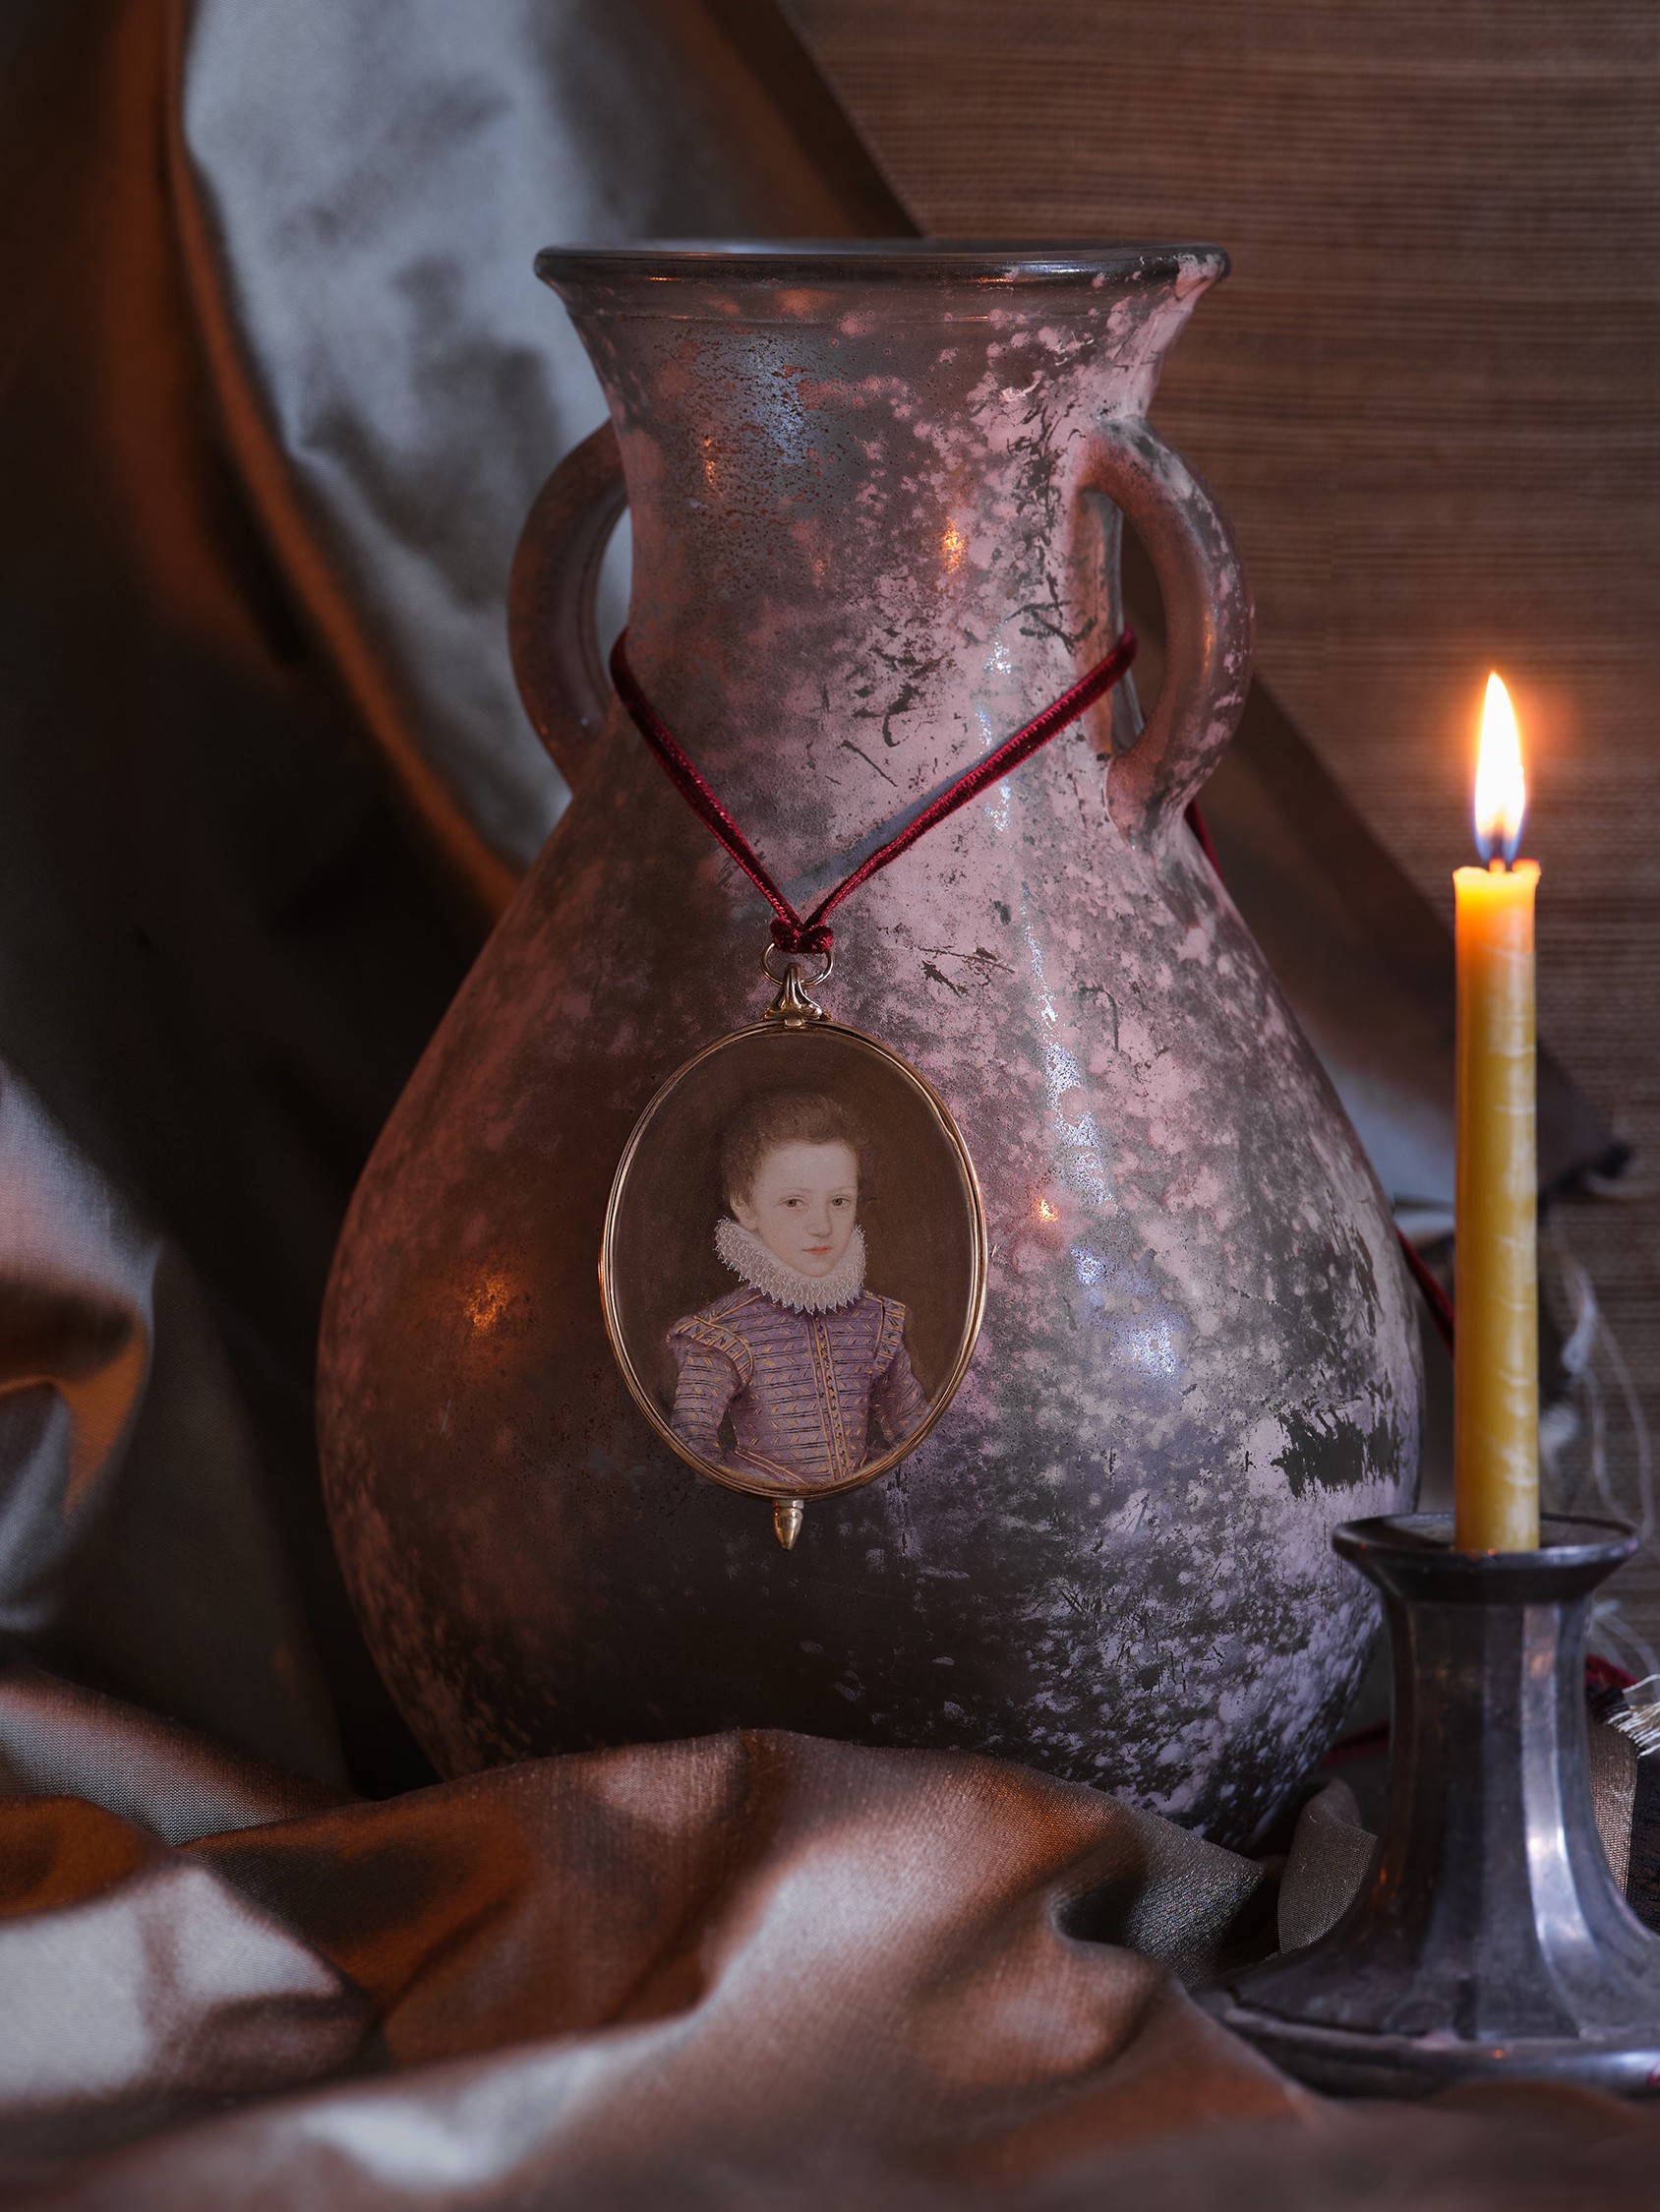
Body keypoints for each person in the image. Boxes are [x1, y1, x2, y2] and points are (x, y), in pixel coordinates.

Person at [668, 1091, 928, 1490]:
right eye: (794, 1202)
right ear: (745, 1205)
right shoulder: (724, 1331)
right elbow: (690, 1444)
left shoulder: (877, 1320)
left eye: (839, 1201)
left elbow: (916, 1437)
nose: (821, 1226)